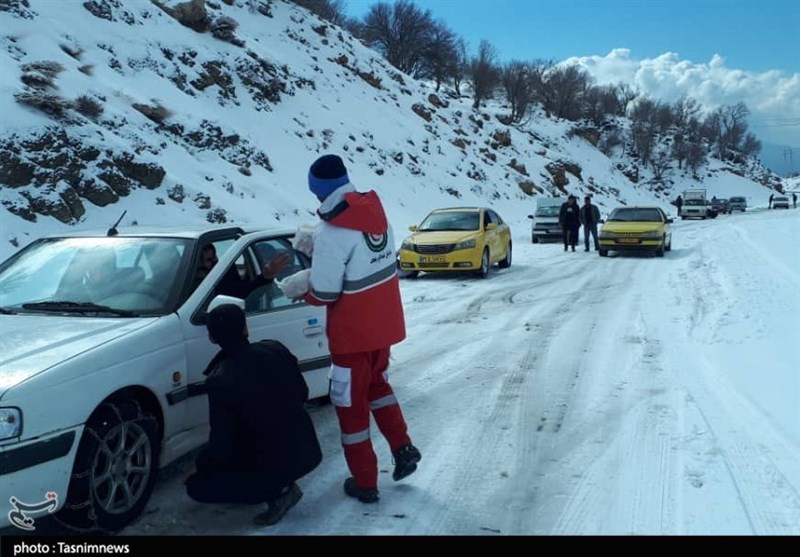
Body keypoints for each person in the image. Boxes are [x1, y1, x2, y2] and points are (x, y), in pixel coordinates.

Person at [293, 153, 421, 504]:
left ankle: (365, 482)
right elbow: (365, 270)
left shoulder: (333, 232)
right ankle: (403, 447)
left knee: (350, 408)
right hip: (383, 329)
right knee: (378, 386)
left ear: (319, 192)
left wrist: (301, 285)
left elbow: (326, 291)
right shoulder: (378, 217)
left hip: (351, 338)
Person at [184, 304, 322, 526]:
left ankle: (278, 494)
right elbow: (302, 393)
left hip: (272, 463)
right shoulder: (275, 349)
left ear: (211, 338)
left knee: (197, 487)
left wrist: (204, 463)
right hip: (308, 449)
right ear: (245, 328)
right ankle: (270, 483)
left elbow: (222, 444)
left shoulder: (220, 380)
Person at [194, 243, 291, 299]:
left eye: (209, 260)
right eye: (200, 260)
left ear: (215, 259)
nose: (205, 265)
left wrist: (266, 277)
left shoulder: (221, 279)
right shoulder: (184, 279)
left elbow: (247, 292)